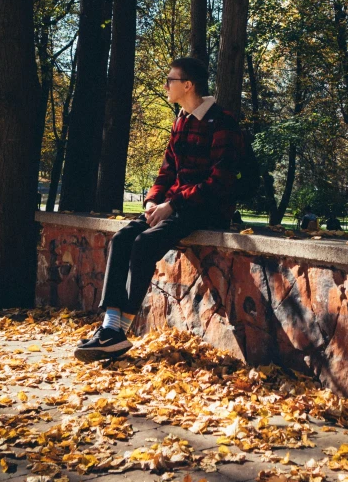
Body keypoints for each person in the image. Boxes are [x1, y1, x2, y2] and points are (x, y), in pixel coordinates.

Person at [75, 57, 243, 363]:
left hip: (207, 208)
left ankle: (117, 331)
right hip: (173, 205)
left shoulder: (222, 121)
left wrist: (172, 205)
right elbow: (166, 171)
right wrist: (153, 201)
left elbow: (220, 180)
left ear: (188, 85)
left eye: (171, 80)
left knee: (144, 244)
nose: (166, 85)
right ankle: (111, 328)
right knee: (122, 239)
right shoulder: (181, 119)